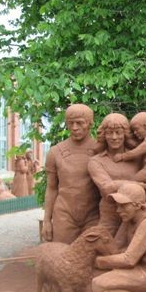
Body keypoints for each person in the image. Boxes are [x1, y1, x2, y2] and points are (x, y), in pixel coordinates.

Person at [42, 104, 100, 244]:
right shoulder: (55, 152)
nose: (74, 127)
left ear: (90, 123)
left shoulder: (100, 150)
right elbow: (51, 188)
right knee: (62, 258)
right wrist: (47, 221)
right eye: (70, 123)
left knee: (90, 259)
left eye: (79, 123)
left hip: (93, 215)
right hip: (64, 214)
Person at [88, 113, 140, 235]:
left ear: (125, 134)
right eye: (109, 133)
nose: (114, 137)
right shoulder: (96, 161)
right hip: (110, 215)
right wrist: (140, 185)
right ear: (104, 135)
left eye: (118, 132)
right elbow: (107, 189)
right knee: (103, 245)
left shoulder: (136, 158)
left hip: (136, 215)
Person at [112, 112, 146, 213]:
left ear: (145, 127)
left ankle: (144, 203)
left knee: (133, 183)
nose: (135, 133)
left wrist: (122, 156)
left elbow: (136, 152)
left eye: (136, 130)